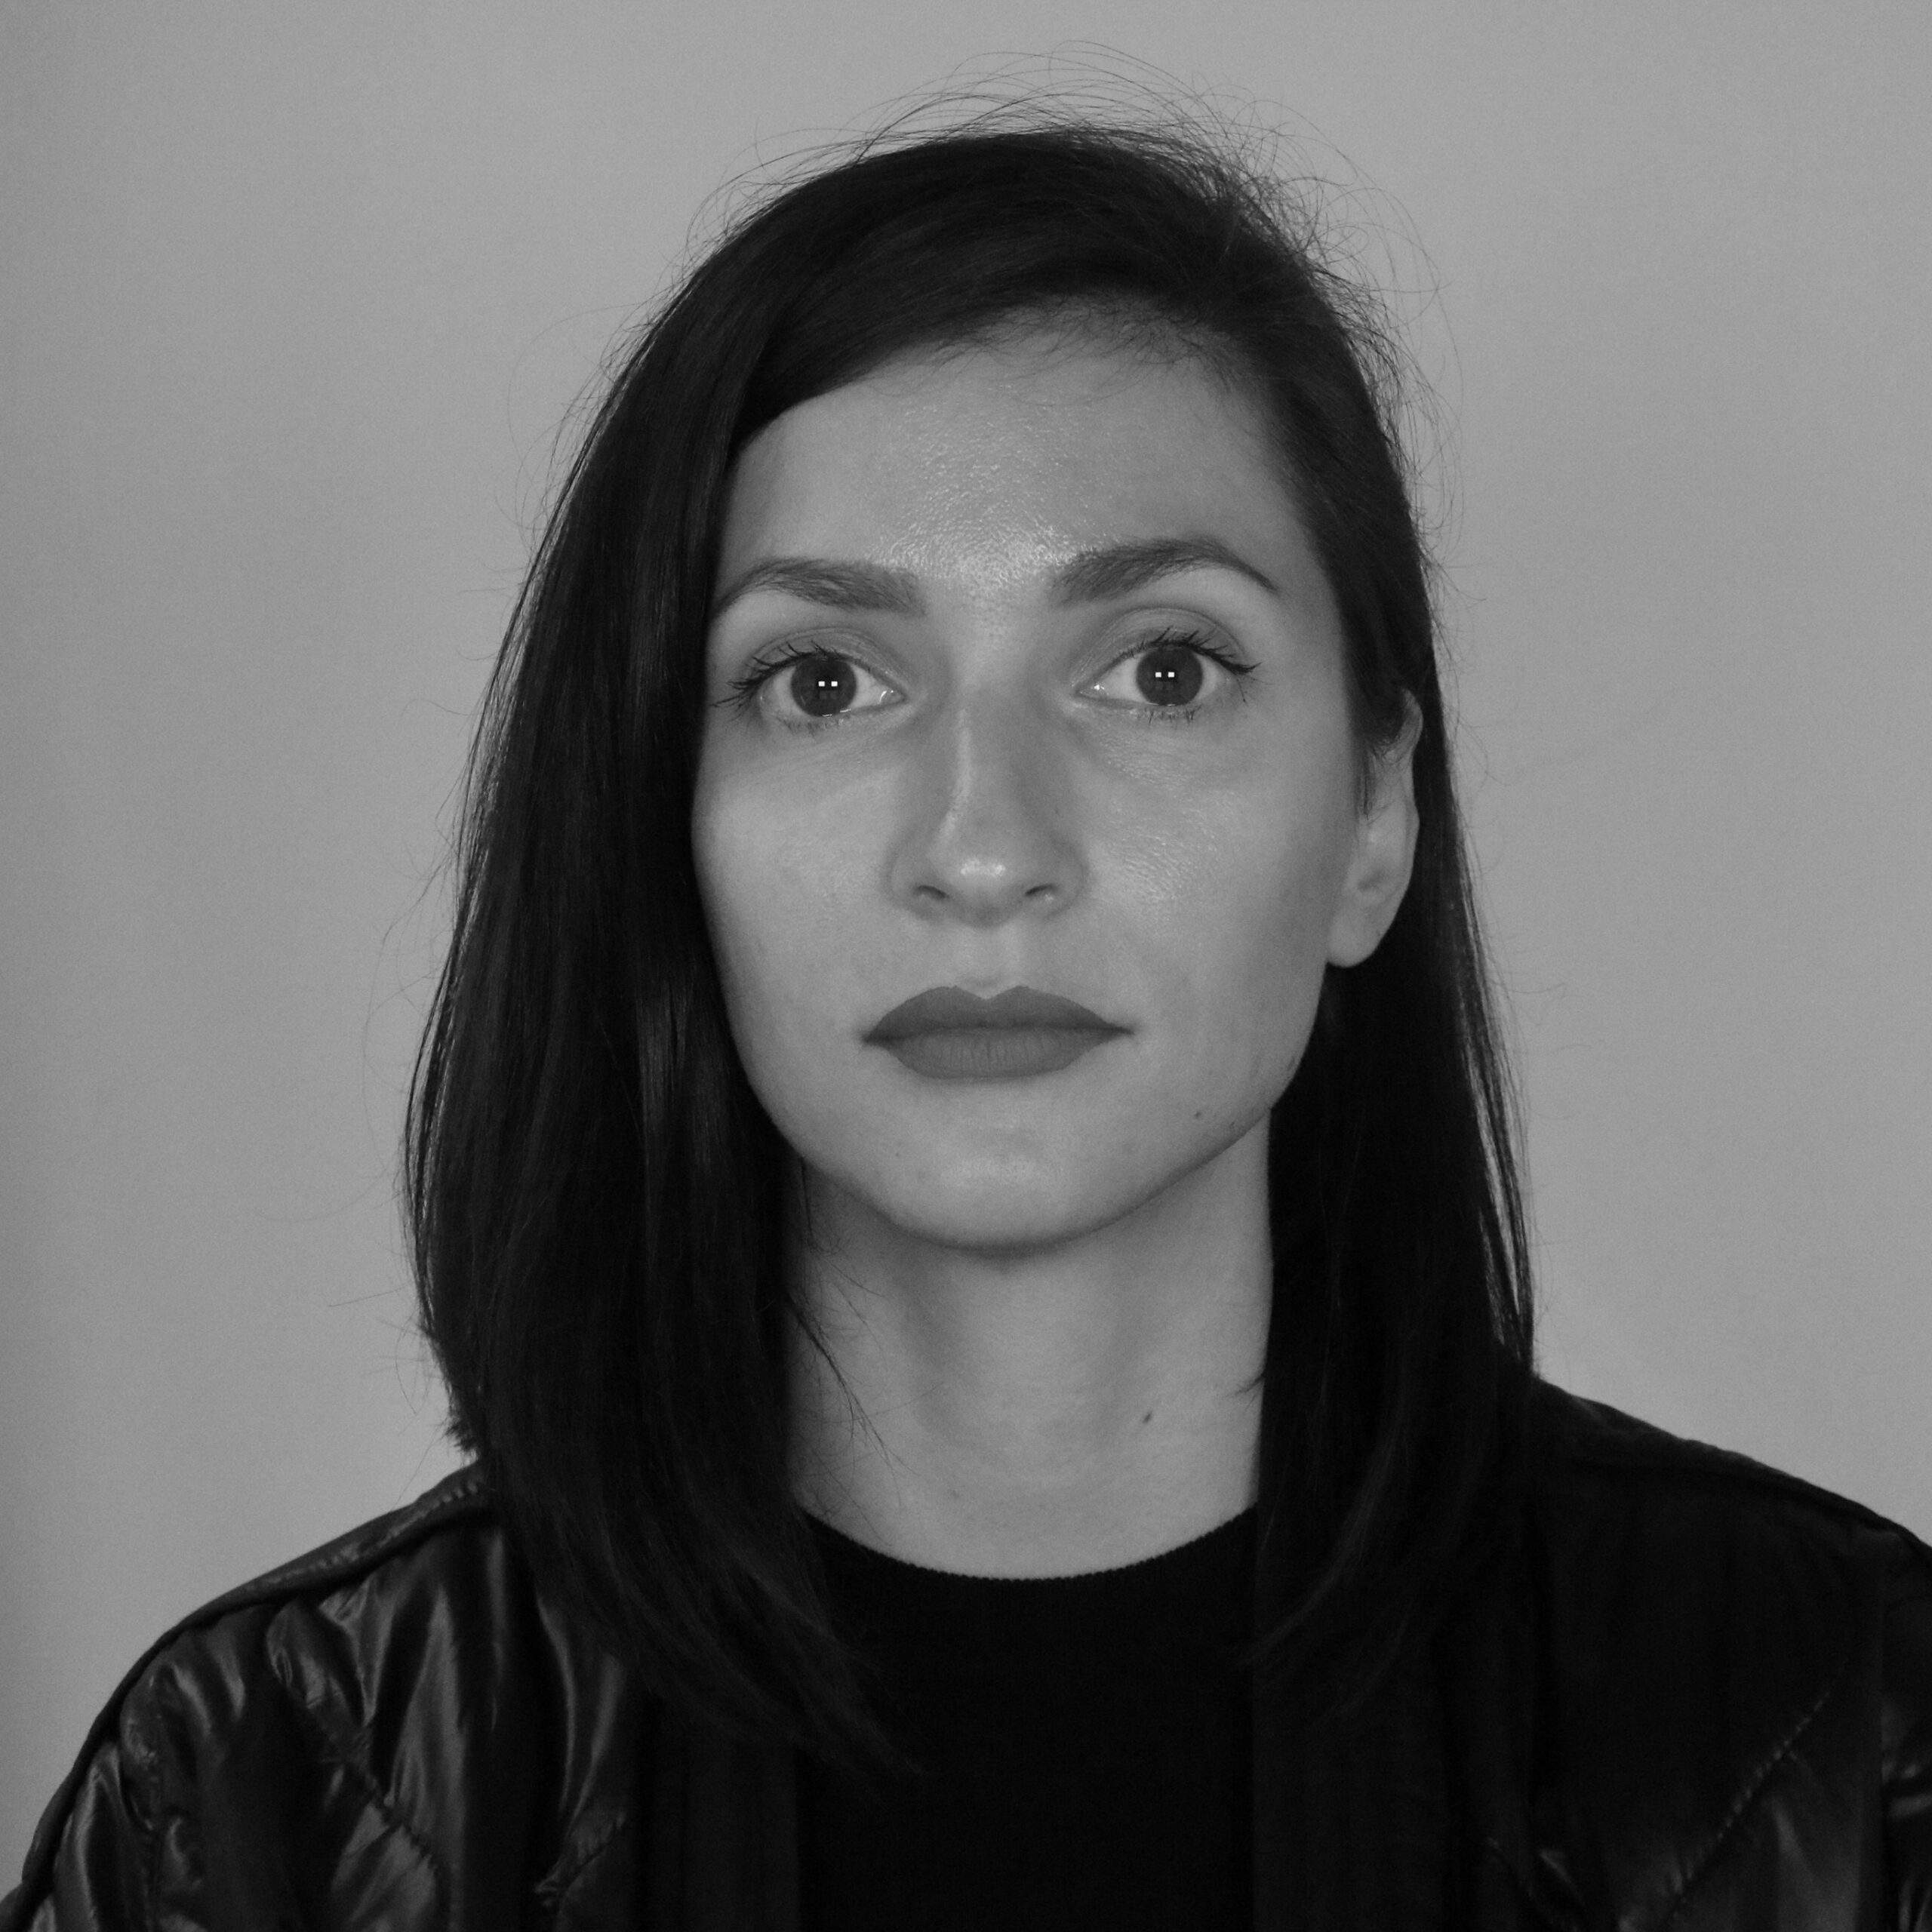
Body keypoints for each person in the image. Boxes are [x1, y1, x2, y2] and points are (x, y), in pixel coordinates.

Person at [5, 100, 1928, 1932]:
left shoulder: (1845, 1725)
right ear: (661, 820)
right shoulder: (261, 1791)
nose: (984, 846)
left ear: (1370, 818)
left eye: (1159, 669)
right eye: (823, 681)